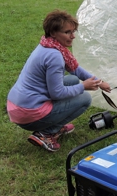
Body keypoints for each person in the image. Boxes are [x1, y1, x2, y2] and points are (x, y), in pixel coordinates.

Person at [7, 10, 110, 152]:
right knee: (85, 98)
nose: (73, 36)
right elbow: (57, 93)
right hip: (27, 113)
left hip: (18, 105)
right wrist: (83, 86)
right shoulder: (54, 55)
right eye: (67, 32)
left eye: (73, 31)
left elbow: (76, 70)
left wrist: (99, 82)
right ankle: (47, 133)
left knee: (72, 79)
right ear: (54, 33)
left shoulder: (47, 45)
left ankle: (52, 125)